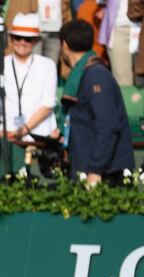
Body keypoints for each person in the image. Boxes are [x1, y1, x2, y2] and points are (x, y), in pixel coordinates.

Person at [60, 19, 134, 185]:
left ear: (64, 45)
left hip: (104, 175)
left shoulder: (96, 76)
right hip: (88, 169)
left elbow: (107, 126)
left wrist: (96, 170)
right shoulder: (84, 74)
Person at [3, 13, 58, 142]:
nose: (22, 42)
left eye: (27, 39)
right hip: (8, 133)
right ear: (11, 39)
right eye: (18, 37)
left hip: (39, 134)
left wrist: (25, 129)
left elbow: (48, 104)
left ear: (35, 41)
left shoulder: (47, 65)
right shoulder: (2, 64)